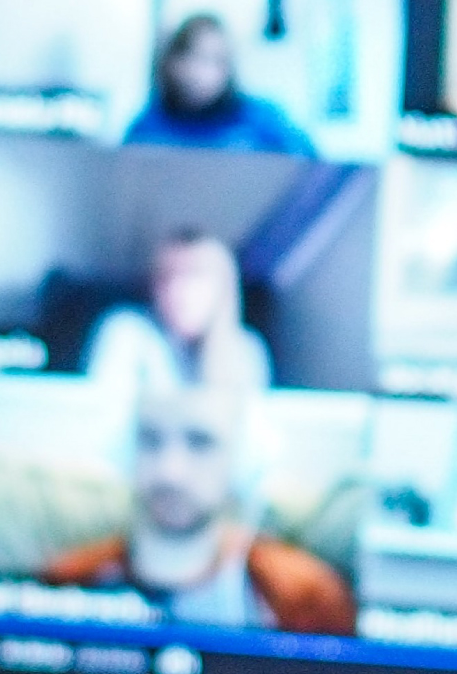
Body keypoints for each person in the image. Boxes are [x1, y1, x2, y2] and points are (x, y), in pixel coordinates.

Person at [40, 384, 352, 631]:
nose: (170, 471)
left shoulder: (305, 596)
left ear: (243, 460)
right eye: (150, 440)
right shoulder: (69, 579)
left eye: (200, 442)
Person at [83, 230, 273, 396]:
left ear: (223, 287)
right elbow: (104, 415)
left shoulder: (247, 350)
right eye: (166, 276)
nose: (176, 290)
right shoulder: (125, 331)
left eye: (194, 274)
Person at [121, 16, 314, 155]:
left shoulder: (265, 120)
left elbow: (315, 169)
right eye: (191, 57)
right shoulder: (148, 127)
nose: (199, 73)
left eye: (213, 60)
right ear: (171, 63)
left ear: (228, 68)